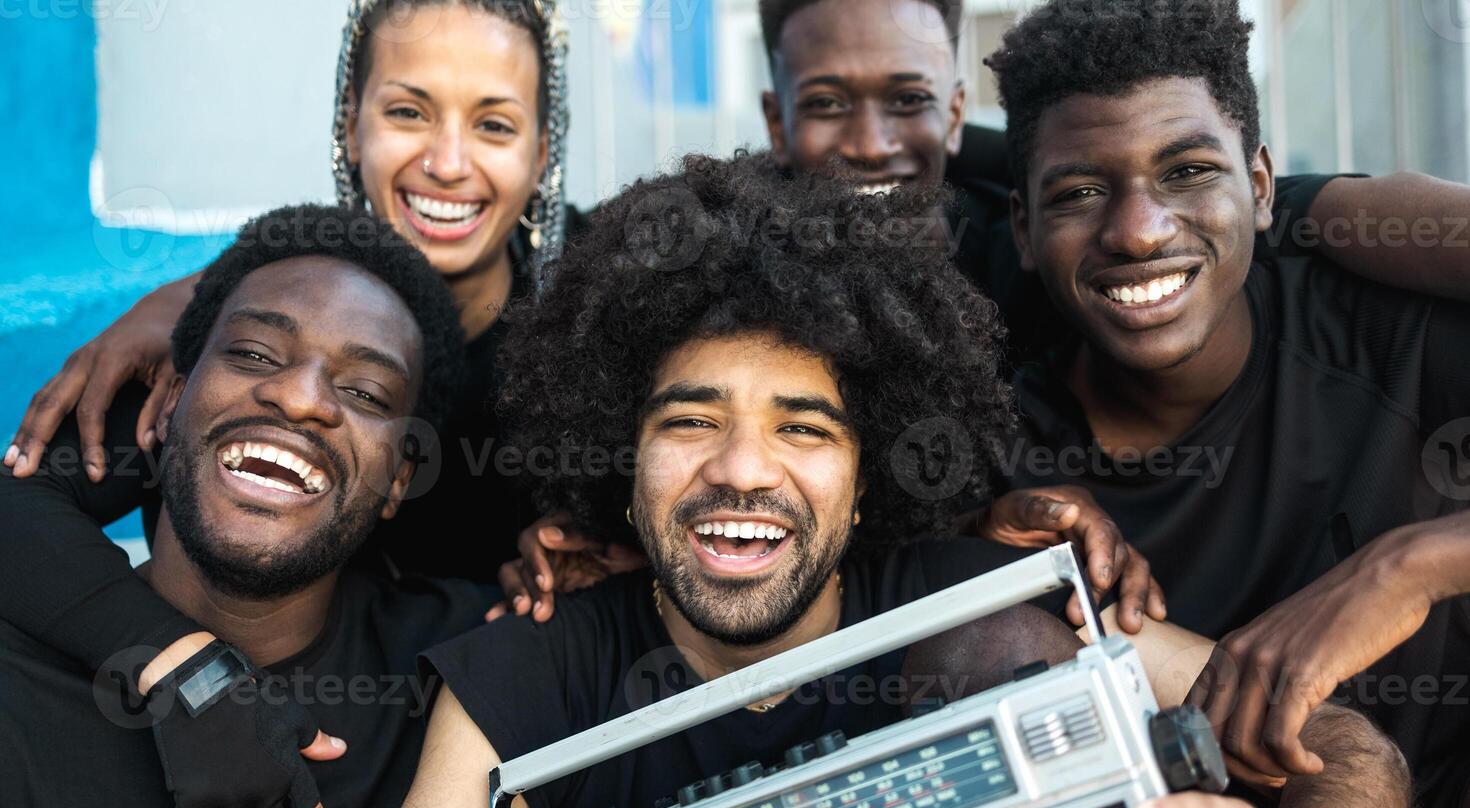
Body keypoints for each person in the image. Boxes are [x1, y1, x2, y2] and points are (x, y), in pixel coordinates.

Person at [325, 153, 1410, 808]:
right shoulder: (536, 671)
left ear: (868, 472)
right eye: (690, 421)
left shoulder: (985, 597)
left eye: (804, 429)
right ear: (621, 453)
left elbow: (1347, 744)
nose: (742, 470)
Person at [493, 0, 1470, 631]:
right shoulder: (743, 279)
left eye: (909, 100)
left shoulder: (1070, 208)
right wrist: (615, 531)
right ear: (778, 118)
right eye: (830, 103)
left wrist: (1319, 206)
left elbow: (1170, 185)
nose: (872, 144)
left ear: (957, 114)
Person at [982, 0, 1470, 808]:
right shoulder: (1012, 460)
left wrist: (1411, 566)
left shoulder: (1394, 331)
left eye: (1188, 171)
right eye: (1080, 192)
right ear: (1025, 231)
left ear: (1259, 182)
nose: (1137, 228)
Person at [0, 204, 495, 808]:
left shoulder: (460, 672)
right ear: (164, 404)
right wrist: (186, 671)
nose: (301, 399)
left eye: (366, 393)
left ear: (401, 477)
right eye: (256, 354)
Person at [6, 0, 576, 578]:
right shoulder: (246, 313)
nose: (449, 163)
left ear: (542, 152)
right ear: (352, 127)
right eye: (408, 112)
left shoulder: (615, 301)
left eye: (495, 125)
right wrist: (165, 647)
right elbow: (22, 508)